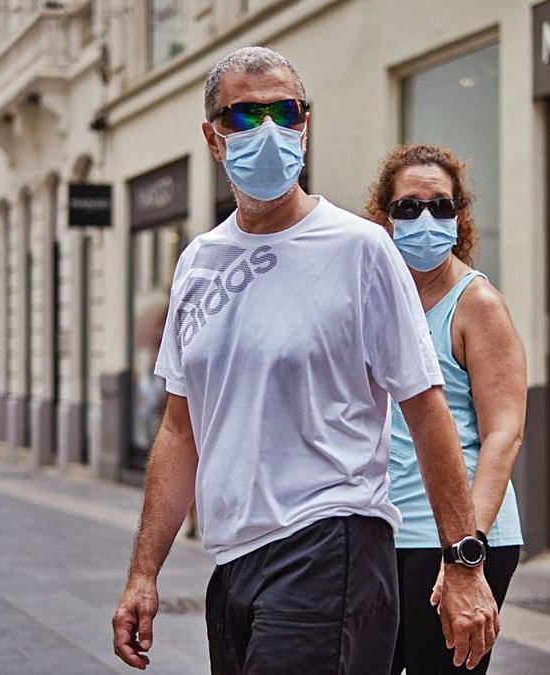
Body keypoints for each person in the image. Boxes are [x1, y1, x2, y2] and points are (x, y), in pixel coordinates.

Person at [111, 47, 498, 675]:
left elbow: (427, 410)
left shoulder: (359, 249)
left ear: (305, 126)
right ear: (213, 138)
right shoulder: (197, 263)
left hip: (331, 545)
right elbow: (180, 431)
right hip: (234, 561)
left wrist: (463, 562)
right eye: (244, 116)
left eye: (284, 112)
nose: (267, 131)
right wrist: (142, 574)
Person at [366, 144, 528, 674]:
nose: (427, 219)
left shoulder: (475, 304)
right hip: (381, 535)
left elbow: (504, 434)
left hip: (458, 542)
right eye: (409, 207)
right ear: (384, 219)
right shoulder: (377, 301)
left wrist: (465, 551)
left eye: (442, 205)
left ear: (459, 217)